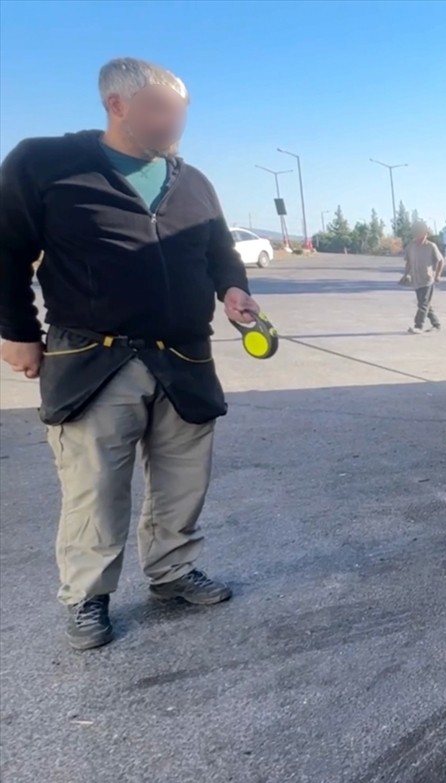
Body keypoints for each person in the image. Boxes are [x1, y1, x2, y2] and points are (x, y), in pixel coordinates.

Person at [0, 57, 261, 651]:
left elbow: (219, 251)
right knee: (94, 484)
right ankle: (88, 596)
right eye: (162, 111)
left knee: (183, 478)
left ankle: (171, 572)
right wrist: (17, 329)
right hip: (94, 357)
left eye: (181, 113)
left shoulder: (192, 180)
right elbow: (7, 250)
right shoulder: (43, 162)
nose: (176, 124)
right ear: (117, 105)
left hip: (184, 356)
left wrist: (233, 287)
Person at [404, 222, 444, 334]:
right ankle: (436, 324)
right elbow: (408, 262)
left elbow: (441, 261)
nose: (421, 235)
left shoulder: (431, 246)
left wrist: (438, 275)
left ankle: (418, 326)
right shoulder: (411, 246)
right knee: (424, 304)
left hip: (427, 280)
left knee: (423, 304)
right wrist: (406, 275)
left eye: (423, 233)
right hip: (416, 280)